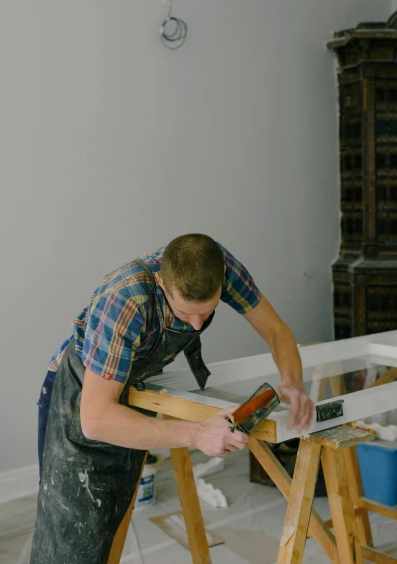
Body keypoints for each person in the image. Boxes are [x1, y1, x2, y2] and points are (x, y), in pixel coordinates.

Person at [31, 234, 314, 563]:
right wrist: (197, 433)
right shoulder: (125, 299)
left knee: (106, 520)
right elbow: (95, 420)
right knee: (67, 534)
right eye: (184, 313)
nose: (196, 324)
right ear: (161, 283)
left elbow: (276, 329)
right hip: (79, 398)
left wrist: (292, 383)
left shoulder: (219, 266)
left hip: (129, 391)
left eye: (206, 313)